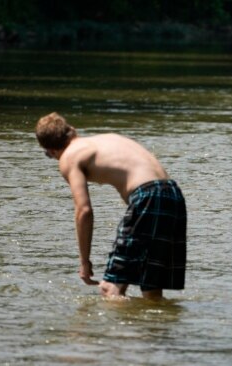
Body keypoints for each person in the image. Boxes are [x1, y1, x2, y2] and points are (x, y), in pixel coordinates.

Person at [35, 112, 186, 300]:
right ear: (72, 131)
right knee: (151, 287)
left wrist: (84, 262)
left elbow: (84, 211)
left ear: (51, 150)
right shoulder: (108, 138)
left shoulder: (69, 157)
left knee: (110, 287)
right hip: (173, 193)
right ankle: (153, 328)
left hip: (148, 195)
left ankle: (111, 329)